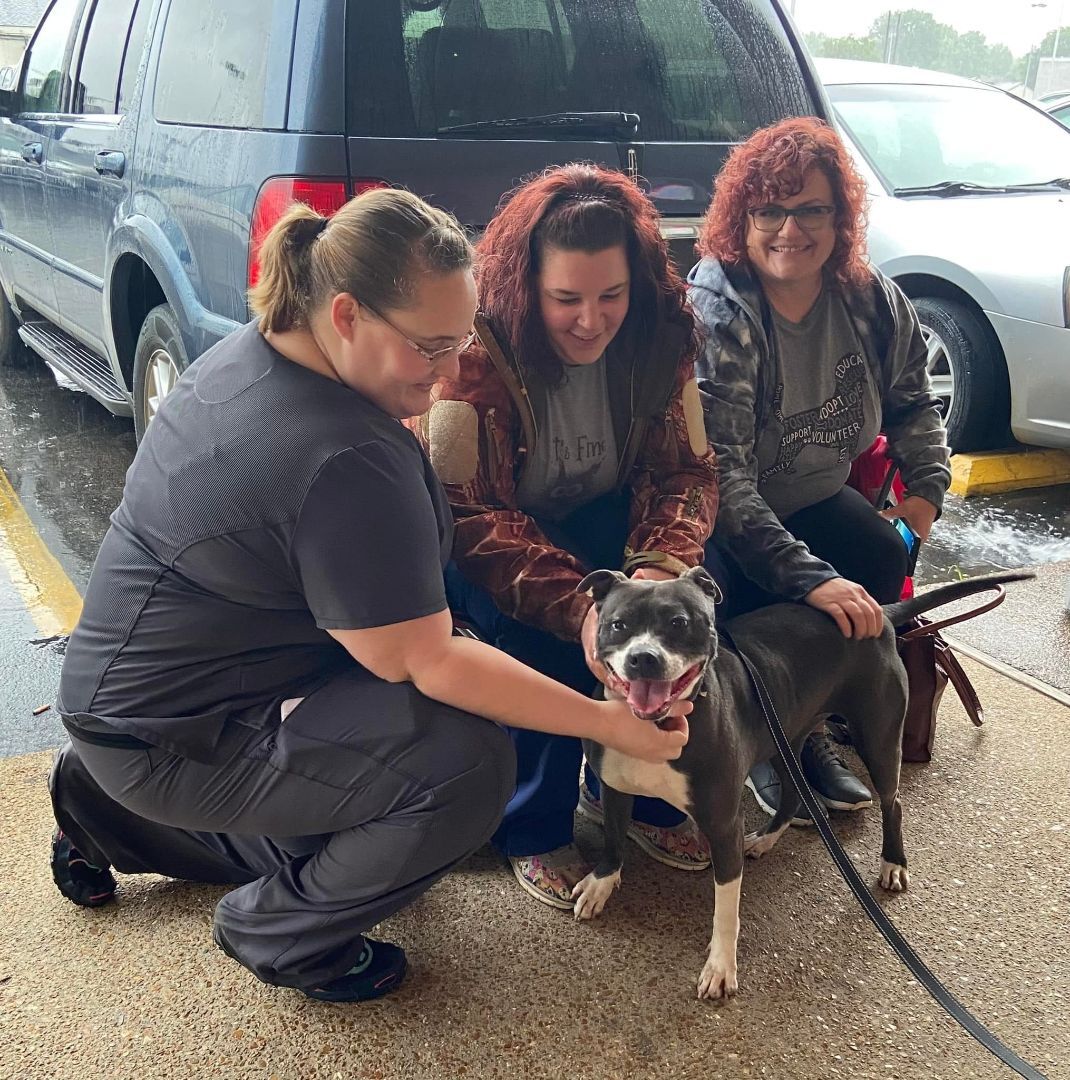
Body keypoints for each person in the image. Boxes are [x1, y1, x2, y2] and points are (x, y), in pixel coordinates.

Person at [48, 188, 690, 1003]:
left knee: (367, 781)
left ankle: (97, 802)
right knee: (461, 766)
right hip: (180, 731)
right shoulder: (344, 455)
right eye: (431, 348)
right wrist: (608, 722)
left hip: (131, 700)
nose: (453, 371)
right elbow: (429, 662)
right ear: (347, 313)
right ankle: (280, 933)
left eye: (462, 341)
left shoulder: (258, 351)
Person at [410, 164, 719, 909]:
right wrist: (580, 612)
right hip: (488, 541)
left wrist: (656, 572)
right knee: (545, 648)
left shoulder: (660, 337)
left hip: (606, 523)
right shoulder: (475, 354)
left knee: (680, 620)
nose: (591, 319)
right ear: (526, 288)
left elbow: (686, 471)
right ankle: (532, 825)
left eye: (611, 295)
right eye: (566, 299)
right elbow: (469, 516)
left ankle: (645, 794)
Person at [687, 117, 951, 823]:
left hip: (813, 494)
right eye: (769, 210)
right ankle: (752, 739)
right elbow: (724, 478)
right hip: (730, 517)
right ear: (741, 219)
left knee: (872, 549)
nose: (789, 229)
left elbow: (914, 402)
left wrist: (923, 495)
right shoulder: (720, 311)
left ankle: (810, 727)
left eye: (811, 209)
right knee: (728, 590)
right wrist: (811, 577)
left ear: (841, 218)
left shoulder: (868, 299)